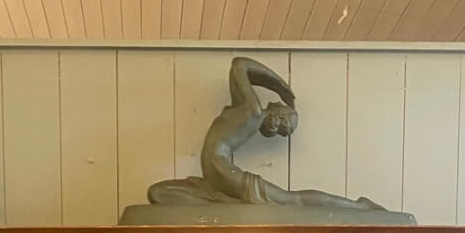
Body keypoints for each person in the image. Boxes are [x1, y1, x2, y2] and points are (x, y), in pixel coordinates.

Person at [147, 56, 386, 211]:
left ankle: (359, 207)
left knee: (293, 201)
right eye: (284, 122)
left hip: (227, 176)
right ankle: (227, 205)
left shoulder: (249, 113)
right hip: (217, 178)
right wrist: (279, 85)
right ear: (278, 110)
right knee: (158, 193)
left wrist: (278, 88)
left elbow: (239, 66)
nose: (278, 130)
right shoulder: (250, 111)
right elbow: (239, 65)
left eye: (283, 131)